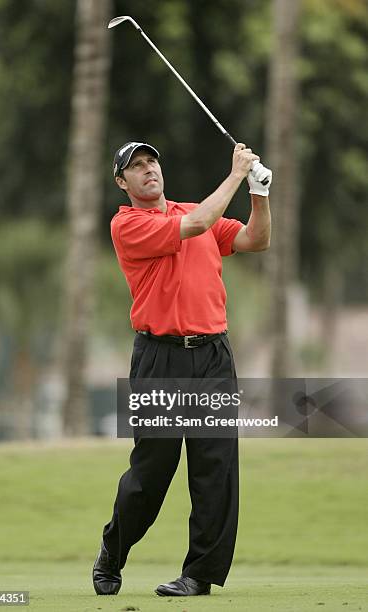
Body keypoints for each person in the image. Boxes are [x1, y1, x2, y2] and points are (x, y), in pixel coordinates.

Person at [93, 140, 272, 597]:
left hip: (213, 354)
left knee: (216, 467)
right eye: (136, 167)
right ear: (122, 182)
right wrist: (235, 175)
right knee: (152, 470)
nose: (148, 170)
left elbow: (256, 239)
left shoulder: (196, 209)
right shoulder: (127, 223)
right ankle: (113, 551)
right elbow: (193, 225)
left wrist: (259, 193)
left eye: (152, 161)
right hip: (160, 357)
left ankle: (200, 575)